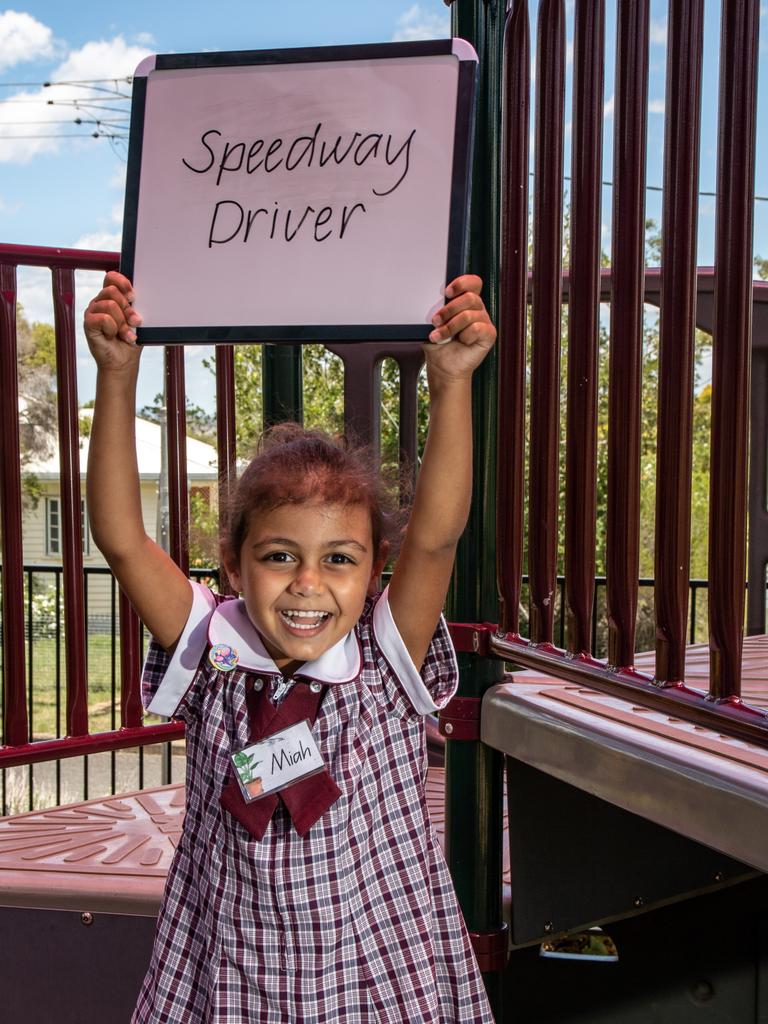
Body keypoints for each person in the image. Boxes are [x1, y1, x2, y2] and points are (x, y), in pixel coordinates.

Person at [84, 271, 497, 1024]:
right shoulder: (211, 651)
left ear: (374, 568)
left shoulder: (382, 661)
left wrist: (452, 384)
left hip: (371, 973)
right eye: (280, 557)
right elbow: (120, 538)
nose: (308, 583)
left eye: (339, 559)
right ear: (235, 565)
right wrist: (116, 377)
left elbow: (436, 537)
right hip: (229, 973)